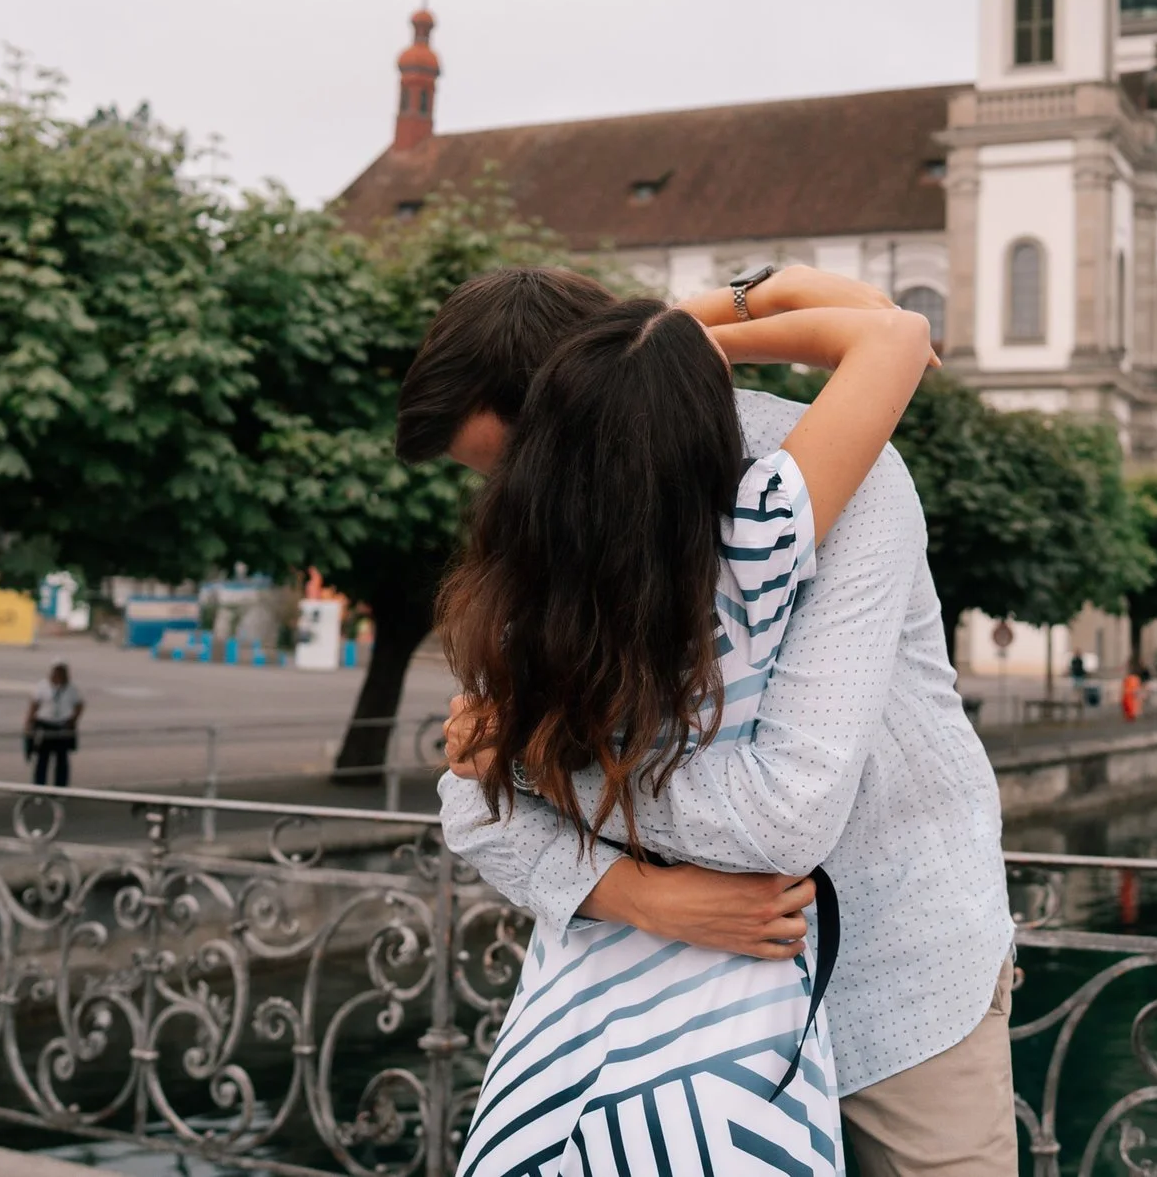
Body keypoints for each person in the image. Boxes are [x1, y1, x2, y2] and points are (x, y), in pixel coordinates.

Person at [416, 266, 1017, 1177]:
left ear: (576, 404)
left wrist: (537, 764)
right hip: (670, 1008)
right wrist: (639, 896)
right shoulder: (555, 527)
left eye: (513, 461)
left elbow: (786, 810)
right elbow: (469, 800)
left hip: (894, 976)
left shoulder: (823, 474)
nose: (513, 494)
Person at [25, 662, 84, 787]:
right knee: (42, 759)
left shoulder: (71, 688)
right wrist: (29, 723)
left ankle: (60, 788)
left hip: (62, 725)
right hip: (45, 724)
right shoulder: (42, 686)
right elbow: (34, 705)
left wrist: (73, 720)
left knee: (62, 759)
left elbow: (79, 705)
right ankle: (39, 787)